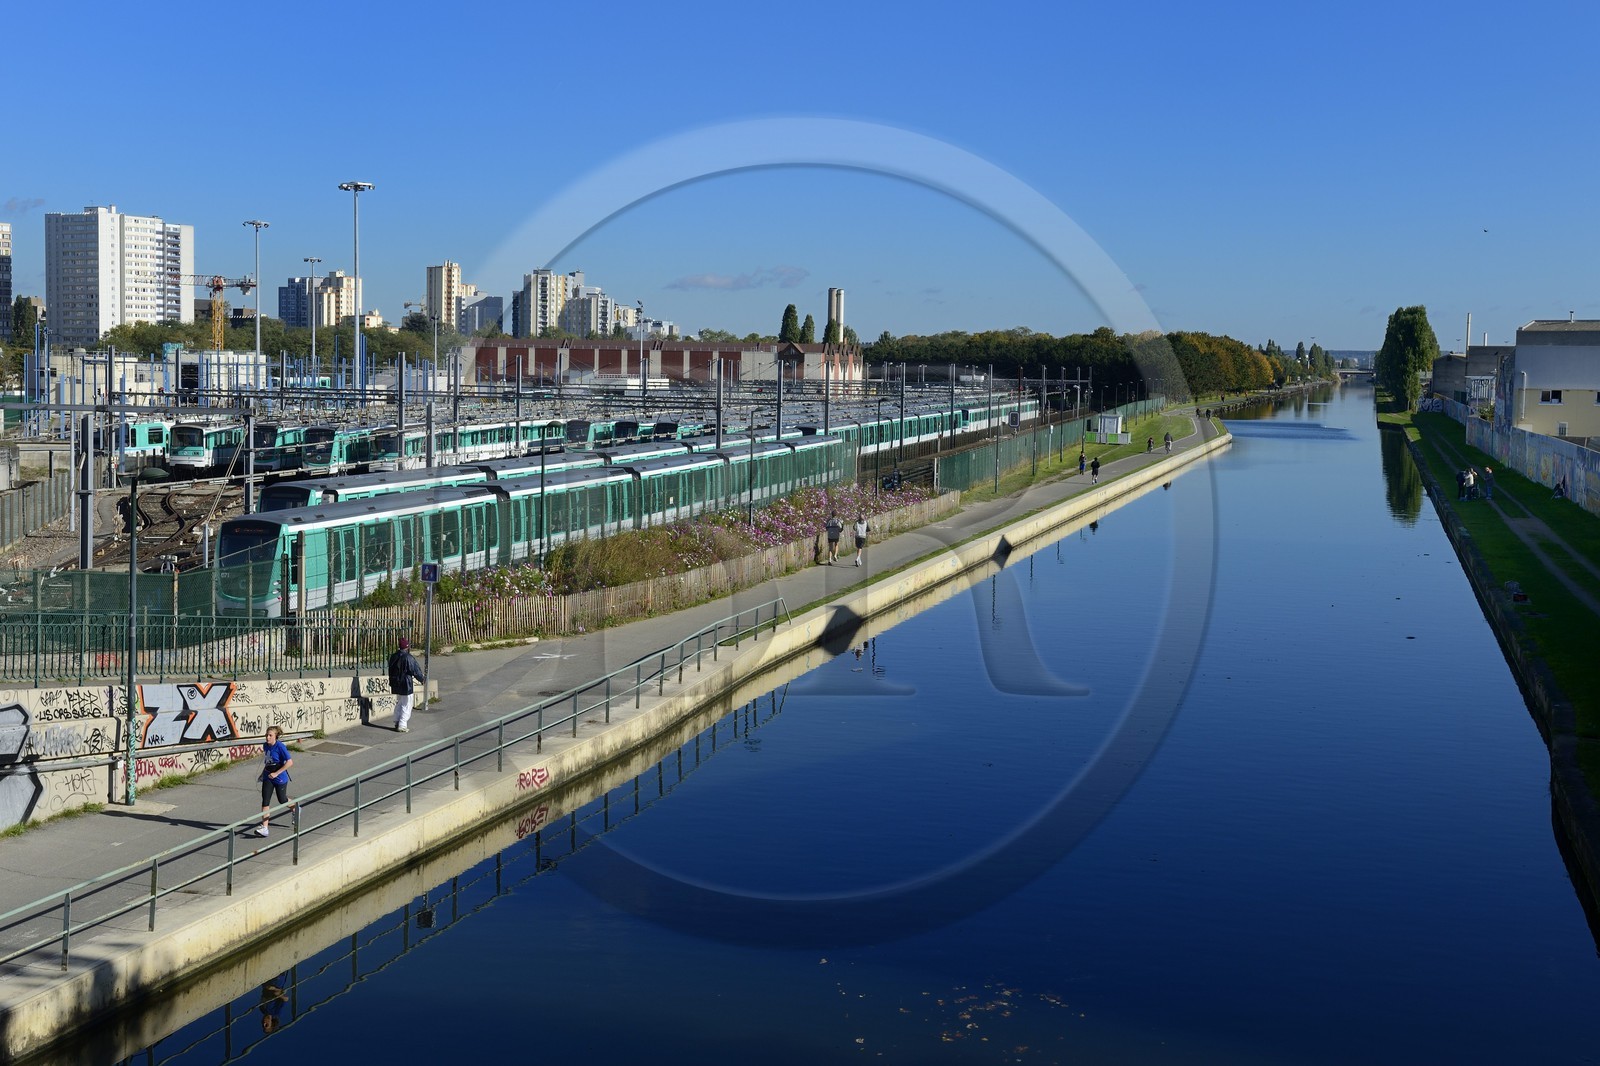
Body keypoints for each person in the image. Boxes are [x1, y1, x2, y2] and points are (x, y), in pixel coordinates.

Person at [254, 726, 293, 838]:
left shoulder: (280, 747)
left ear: (276, 736)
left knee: (282, 799)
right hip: (268, 776)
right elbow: (268, 761)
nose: (267, 737)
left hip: (280, 777)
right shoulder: (265, 745)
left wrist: (277, 773)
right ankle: (265, 828)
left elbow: (290, 762)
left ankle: (295, 808)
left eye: (270, 735)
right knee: (265, 801)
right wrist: (263, 774)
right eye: (266, 735)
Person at [388, 636, 425, 732]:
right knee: (407, 704)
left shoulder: (393, 656)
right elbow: (415, 670)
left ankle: (397, 721)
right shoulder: (408, 657)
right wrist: (422, 679)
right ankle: (402, 724)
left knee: (400, 702)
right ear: (407, 647)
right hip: (406, 684)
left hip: (396, 683)